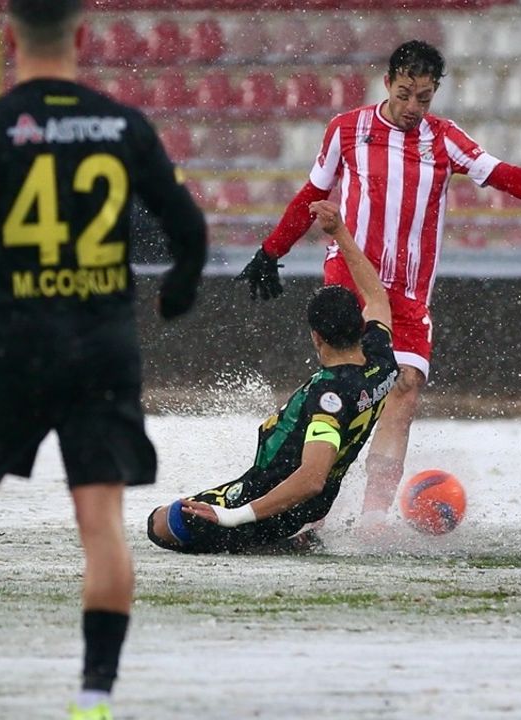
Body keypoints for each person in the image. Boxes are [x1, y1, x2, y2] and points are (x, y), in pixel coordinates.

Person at [0, 1, 207, 719]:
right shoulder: (124, 125)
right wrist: (177, 296)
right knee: (99, 519)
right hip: (102, 346)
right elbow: (190, 230)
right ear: (82, 37)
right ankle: (93, 700)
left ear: (9, 37)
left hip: (16, 344)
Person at [237, 40, 521, 525]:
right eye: (404, 94)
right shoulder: (347, 130)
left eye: (423, 98)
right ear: (387, 83)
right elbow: (313, 193)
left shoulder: (444, 139)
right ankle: (308, 505)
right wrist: (271, 251)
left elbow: (505, 176)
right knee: (347, 390)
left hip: (407, 291)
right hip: (353, 279)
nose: (411, 108)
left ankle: (373, 518)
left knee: (403, 388)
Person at [148, 200, 397, 554]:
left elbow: (311, 479)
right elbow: (376, 296)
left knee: (161, 524)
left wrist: (234, 516)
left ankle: (272, 542)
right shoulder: (381, 357)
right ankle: (282, 536)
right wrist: (338, 232)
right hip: (311, 502)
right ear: (359, 325)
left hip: (268, 499)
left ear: (317, 337)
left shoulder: (330, 396)